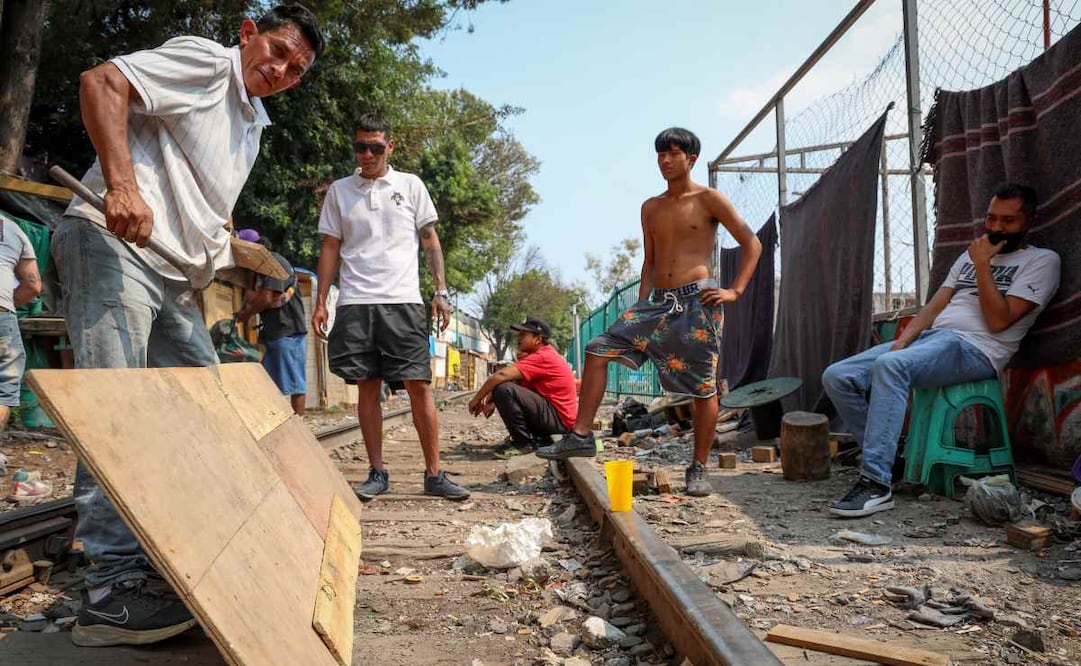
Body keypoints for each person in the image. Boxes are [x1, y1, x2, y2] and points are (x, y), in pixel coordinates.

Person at [52, 5, 323, 646]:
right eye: (278, 51)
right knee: (116, 410)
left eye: (296, 70)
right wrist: (122, 186)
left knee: (204, 407)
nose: (281, 71)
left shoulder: (251, 125)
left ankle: (164, 553)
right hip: (113, 246)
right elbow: (102, 81)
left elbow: (195, 202)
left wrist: (230, 249)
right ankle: (108, 592)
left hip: (172, 274)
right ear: (248, 34)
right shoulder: (208, 63)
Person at [536, 128, 762, 498]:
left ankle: (699, 468)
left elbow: (752, 243)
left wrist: (734, 290)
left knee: (703, 388)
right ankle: (581, 435)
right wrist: (641, 304)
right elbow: (650, 261)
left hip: (697, 304)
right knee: (596, 349)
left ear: (690, 159)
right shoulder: (651, 207)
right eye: (660, 154)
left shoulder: (709, 199)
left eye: (673, 153)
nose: (665, 161)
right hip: (656, 303)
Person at [822, 183, 1060, 518]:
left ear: (1028, 221)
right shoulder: (968, 256)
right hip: (934, 338)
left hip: (976, 348)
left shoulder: (1041, 261)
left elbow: (998, 321)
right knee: (838, 376)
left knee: (891, 367)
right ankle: (892, 462)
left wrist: (982, 265)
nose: (996, 227)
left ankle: (875, 483)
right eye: (991, 218)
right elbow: (935, 305)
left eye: (1008, 221)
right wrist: (904, 340)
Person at [312, 112, 469, 501]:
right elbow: (330, 247)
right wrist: (321, 301)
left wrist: (441, 291)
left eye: (375, 147)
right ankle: (377, 471)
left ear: (390, 147)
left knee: (418, 385)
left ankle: (434, 474)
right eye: (360, 147)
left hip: (403, 301)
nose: (367, 155)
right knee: (367, 385)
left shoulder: (411, 185)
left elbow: (430, 240)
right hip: (356, 301)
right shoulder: (340, 191)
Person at [468, 317, 578, 455]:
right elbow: (515, 383)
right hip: (556, 419)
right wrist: (491, 400)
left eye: (523, 335)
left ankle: (524, 443)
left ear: (537, 339)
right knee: (504, 386)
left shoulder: (542, 357)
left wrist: (476, 399)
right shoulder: (541, 355)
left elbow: (501, 375)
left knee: (504, 389)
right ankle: (525, 439)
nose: (518, 338)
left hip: (560, 422)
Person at [234, 240, 307, 415]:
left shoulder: (274, 264)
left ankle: (299, 424)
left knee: (295, 384)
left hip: (288, 332)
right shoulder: (258, 271)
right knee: (270, 384)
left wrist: (247, 314)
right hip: (273, 332)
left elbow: (266, 298)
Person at [0, 214, 42, 430]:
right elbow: (33, 286)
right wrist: (7, 305)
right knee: (3, 391)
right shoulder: (12, 228)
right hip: (1, 315)